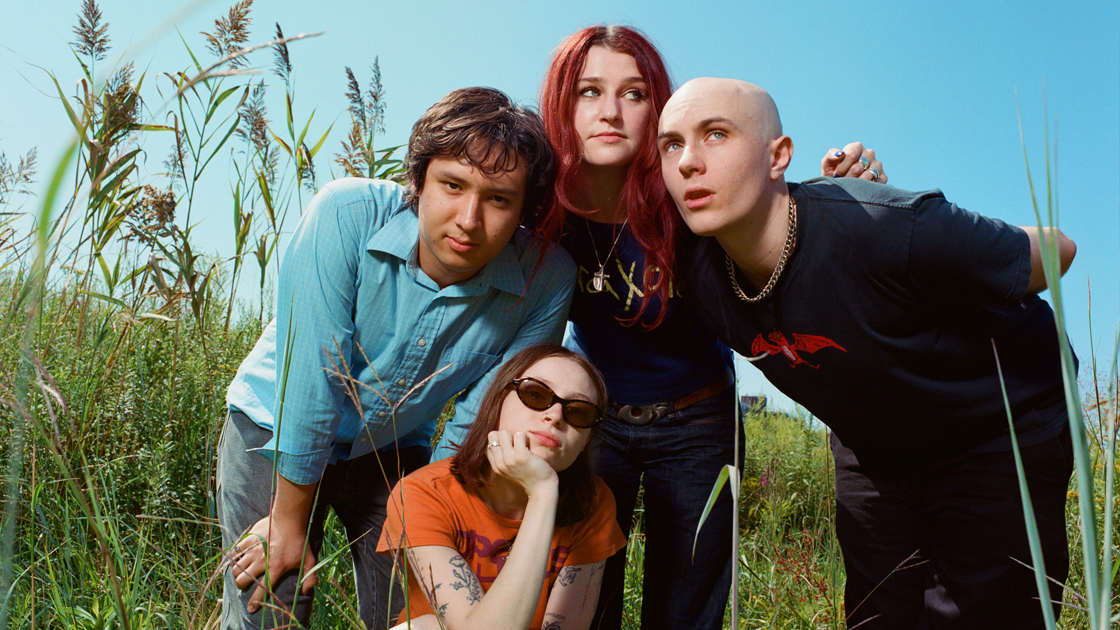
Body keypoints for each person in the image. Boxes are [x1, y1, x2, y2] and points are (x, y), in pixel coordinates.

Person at [434, 25, 884, 630]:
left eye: (635, 94)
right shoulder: (541, 207)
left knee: (687, 606)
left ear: (660, 108)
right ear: (561, 103)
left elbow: (773, 210)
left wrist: (841, 190)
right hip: (594, 423)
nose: (611, 113)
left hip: (700, 423)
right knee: (580, 604)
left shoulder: (690, 191)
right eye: (589, 92)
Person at [658, 77, 1077, 628]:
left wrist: (936, 274)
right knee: (877, 614)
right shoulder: (696, 271)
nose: (688, 161)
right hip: (873, 447)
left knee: (984, 615)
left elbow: (1057, 248)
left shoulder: (884, 226)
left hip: (998, 427)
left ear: (778, 155)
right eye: (671, 144)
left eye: (716, 134)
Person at [218, 87, 576, 630]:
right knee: (272, 607)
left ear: (524, 208)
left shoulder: (548, 278)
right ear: (419, 180)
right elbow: (312, 377)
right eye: (452, 186)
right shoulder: (345, 213)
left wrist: (432, 515)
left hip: (392, 448)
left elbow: (479, 419)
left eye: (499, 199)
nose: (469, 219)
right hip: (274, 426)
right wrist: (289, 526)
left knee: (419, 615)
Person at [379, 343, 627, 630]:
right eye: (536, 394)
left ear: (584, 441)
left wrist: (542, 492)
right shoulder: (422, 493)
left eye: (579, 412)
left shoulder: (593, 504)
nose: (556, 416)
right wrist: (544, 491)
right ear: (496, 403)